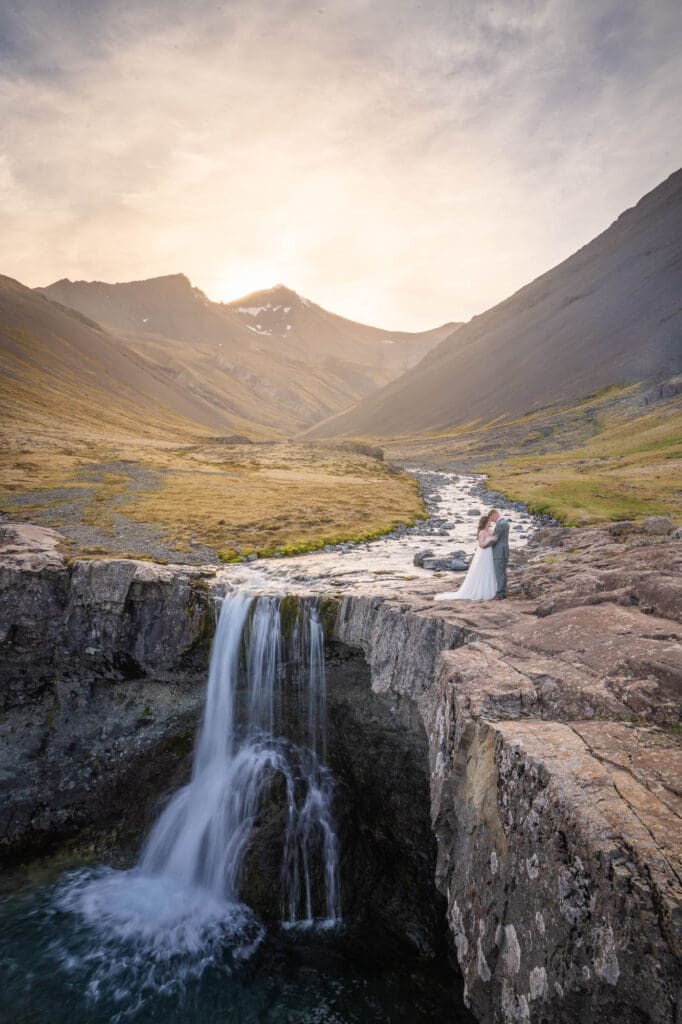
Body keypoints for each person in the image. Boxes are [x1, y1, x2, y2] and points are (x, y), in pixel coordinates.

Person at [434, 514, 498, 601]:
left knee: (490, 570)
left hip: (490, 553)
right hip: (483, 553)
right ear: (485, 522)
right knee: (482, 570)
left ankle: (492, 590)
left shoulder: (490, 531)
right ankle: (480, 591)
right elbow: (481, 545)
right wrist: (489, 540)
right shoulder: (481, 532)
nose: (490, 522)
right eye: (489, 521)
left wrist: (493, 540)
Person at [488, 508, 510, 599]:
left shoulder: (500, 524)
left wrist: (485, 546)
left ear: (494, 514)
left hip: (499, 552)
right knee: (503, 572)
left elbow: (495, 539)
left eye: (491, 518)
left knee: (499, 573)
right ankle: (503, 592)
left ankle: (499, 594)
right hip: (504, 551)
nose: (491, 521)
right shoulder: (505, 522)